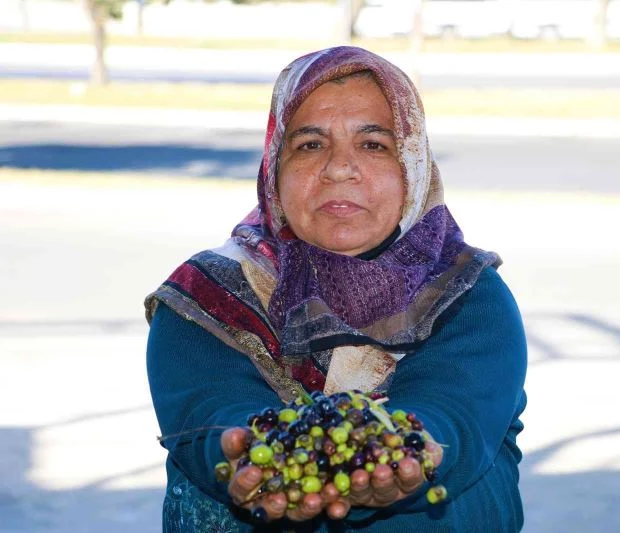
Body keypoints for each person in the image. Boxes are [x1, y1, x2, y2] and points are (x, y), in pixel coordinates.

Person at [145, 46, 527, 532]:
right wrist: (255, 454)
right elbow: (215, 417)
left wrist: (403, 453)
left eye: (373, 145)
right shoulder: (208, 302)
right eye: (309, 144)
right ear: (273, 169)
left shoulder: (468, 295)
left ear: (413, 164)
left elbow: (452, 415)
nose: (339, 168)